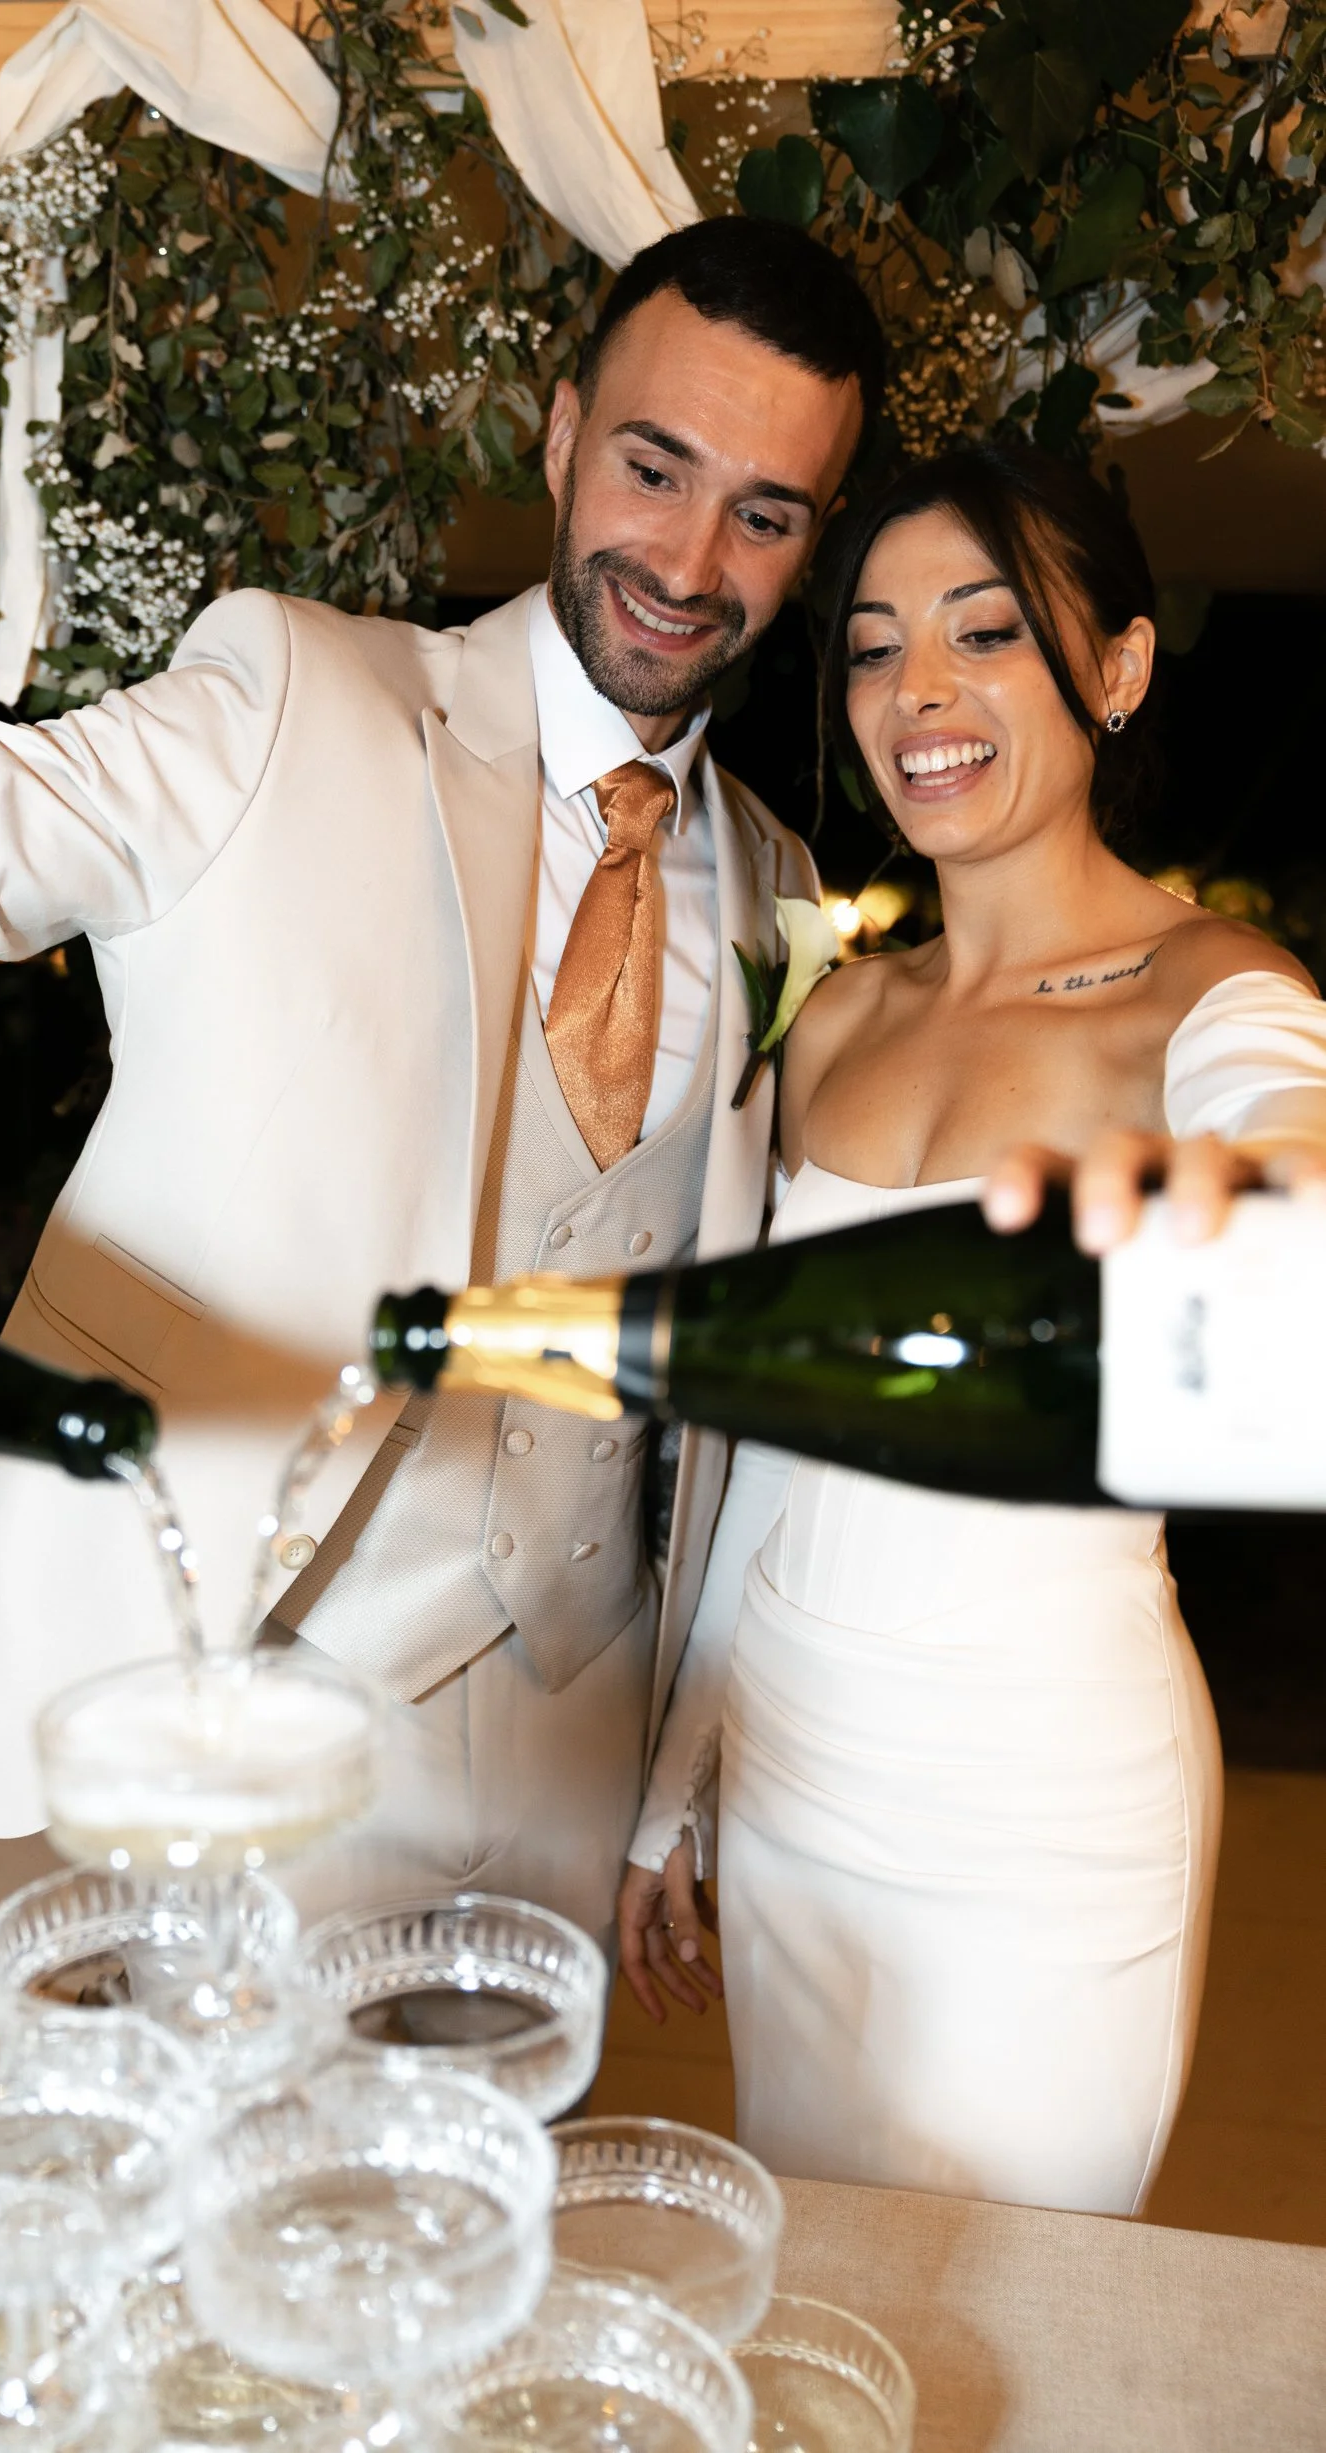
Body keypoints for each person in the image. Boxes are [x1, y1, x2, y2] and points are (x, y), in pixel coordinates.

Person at [0, 218, 882, 1939]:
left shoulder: (781, 893)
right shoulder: (292, 701)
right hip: (246, 1672)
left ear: (807, 540)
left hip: (578, 1705)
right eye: (653, 467)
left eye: (761, 514)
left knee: (498, 2188)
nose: (690, 558)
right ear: (560, 438)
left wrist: (679, 1754)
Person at [620, 440, 1326, 2213]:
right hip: (787, 1758)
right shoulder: (842, 1018)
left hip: (1043, 1793)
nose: (915, 692)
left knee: (1021, 2319)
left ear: (1116, 668)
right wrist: (672, 1784)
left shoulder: (1214, 995)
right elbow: (766, 1432)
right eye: (868, 646)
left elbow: (1289, 1185)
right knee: (823, 2290)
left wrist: (1261, 1226)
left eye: (985, 632)